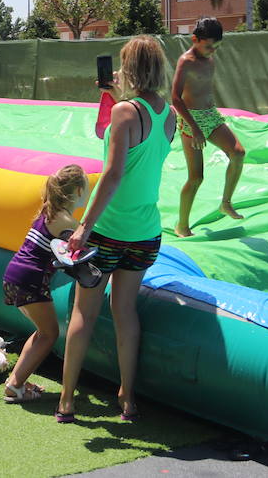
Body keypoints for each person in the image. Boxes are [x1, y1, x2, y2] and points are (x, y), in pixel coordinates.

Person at [58, 36, 176, 423]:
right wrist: (114, 95)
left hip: (109, 231)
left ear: (130, 68)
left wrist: (83, 228)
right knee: (125, 312)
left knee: (83, 315)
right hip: (146, 233)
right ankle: (127, 397)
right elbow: (135, 151)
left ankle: (67, 400)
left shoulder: (126, 112)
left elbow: (112, 174)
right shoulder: (168, 114)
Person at [1, 164, 88, 403]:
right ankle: (15, 385)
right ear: (79, 192)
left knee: (43, 332)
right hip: (30, 279)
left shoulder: (49, 212)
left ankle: (15, 382)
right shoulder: (66, 221)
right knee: (50, 334)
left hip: (16, 276)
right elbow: (85, 248)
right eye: (88, 188)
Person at [170, 17, 246, 237]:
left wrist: (209, 109)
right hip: (189, 120)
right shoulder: (186, 61)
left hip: (209, 115)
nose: (213, 51)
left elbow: (202, 89)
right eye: (209, 46)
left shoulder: (209, 58)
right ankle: (182, 225)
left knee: (238, 153)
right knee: (196, 177)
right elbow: (175, 98)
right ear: (195, 39)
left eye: (217, 47)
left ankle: (226, 203)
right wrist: (194, 128)